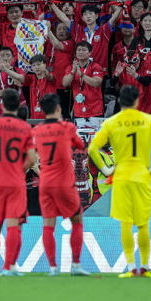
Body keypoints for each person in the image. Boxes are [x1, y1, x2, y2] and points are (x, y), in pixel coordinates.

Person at [88, 85, 151, 278]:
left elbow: (93, 148)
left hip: (122, 176)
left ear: (119, 101)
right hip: (143, 176)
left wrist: (107, 169)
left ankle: (131, 267)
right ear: (137, 101)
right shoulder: (147, 120)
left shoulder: (112, 122)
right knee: (143, 224)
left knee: (125, 223)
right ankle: (145, 267)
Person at [0, 89, 36, 276]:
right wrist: (19, 170)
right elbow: (32, 159)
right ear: (19, 106)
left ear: (1, 105)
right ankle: (9, 267)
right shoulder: (25, 127)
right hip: (15, 182)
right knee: (14, 224)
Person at [32, 93, 91, 276]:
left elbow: (30, 154)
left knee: (48, 225)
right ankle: (75, 265)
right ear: (58, 109)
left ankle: (52, 267)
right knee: (77, 221)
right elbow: (81, 145)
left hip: (46, 183)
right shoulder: (67, 127)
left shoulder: (36, 131)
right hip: (65, 184)